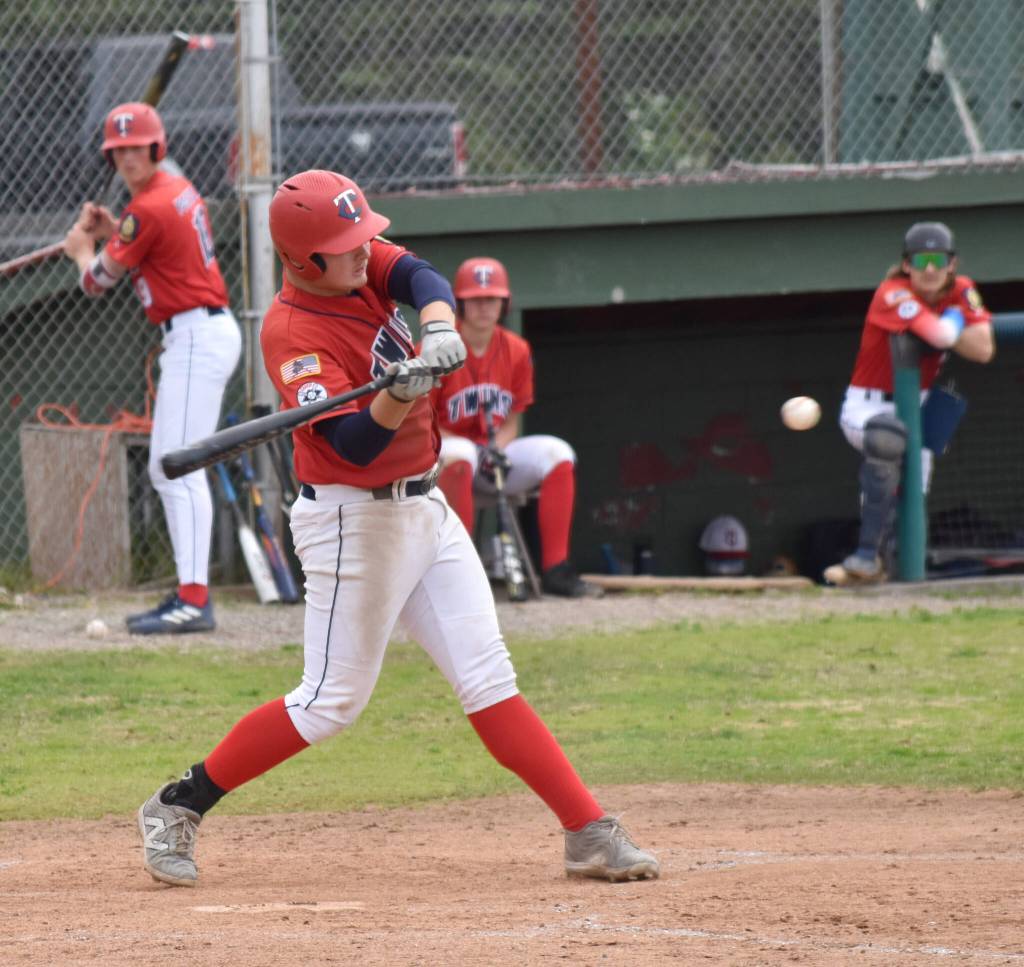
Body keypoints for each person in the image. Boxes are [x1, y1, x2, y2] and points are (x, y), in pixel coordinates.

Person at [135, 169, 659, 888]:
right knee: (328, 703)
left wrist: (439, 324)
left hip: (426, 507)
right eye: (346, 247)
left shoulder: (357, 259)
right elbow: (352, 446)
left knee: (488, 676)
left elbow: (415, 273)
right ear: (301, 260)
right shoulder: (293, 332)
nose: (364, 251)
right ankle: (178, 803)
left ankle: (587, 830)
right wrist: (397, 394)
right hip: (353, 521)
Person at [62, 102, 242, 634]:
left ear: (156, 148)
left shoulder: (151, 207)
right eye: (118, 150)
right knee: (174, 468)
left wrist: (82, 249)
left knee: (174, 467)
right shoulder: (171, 193)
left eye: (136, 147)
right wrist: (116, 230)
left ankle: (194, 600)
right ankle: (189, 594)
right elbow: (150, 245)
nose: (126, 157)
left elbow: (97, 281)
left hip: (196, 337)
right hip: (197, 333)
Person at [824, 221, 994, 585]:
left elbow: (984, 349)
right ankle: (866, 555)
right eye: (920, 260)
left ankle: (890, 570)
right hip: (867, 406)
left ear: (952, 263)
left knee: (913, 492)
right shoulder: (892, 293)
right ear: (906, 265)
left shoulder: (963, 290)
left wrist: (952, 321)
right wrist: (950, 319)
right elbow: (940, 334)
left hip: (917, 406)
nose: (929, 269)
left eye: (937, 259)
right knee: (888, 438)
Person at [431, 256, 598, 598]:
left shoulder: (517, 350)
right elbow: (424, 424)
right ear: (459, 302)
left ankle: (556, 569)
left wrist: (497, 450)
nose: (483, 307)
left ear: (504, 303)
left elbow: (511, 420)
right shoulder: (436, 348)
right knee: (462, 452)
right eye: (475, 299)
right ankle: (458, 574)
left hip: (493, 458)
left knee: (558, 453)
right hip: (445, 459)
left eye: (491, 299)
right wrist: (477, 451)